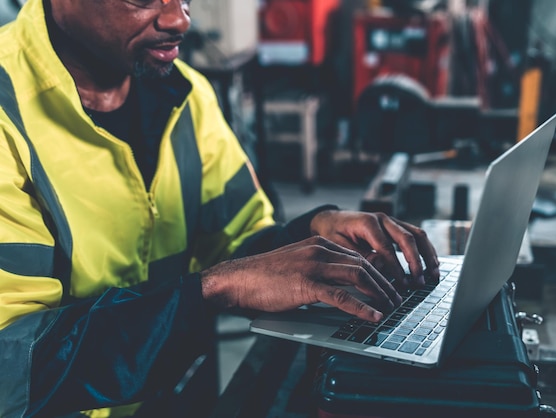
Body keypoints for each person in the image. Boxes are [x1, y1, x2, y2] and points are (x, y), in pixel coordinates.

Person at [0, 0, 440, 416]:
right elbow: (11, 368)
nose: (180, 20)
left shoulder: (187, 96)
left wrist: (312, 233)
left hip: (170, 396)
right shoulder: (8, 116)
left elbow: (240, 248)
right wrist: (213, 289)